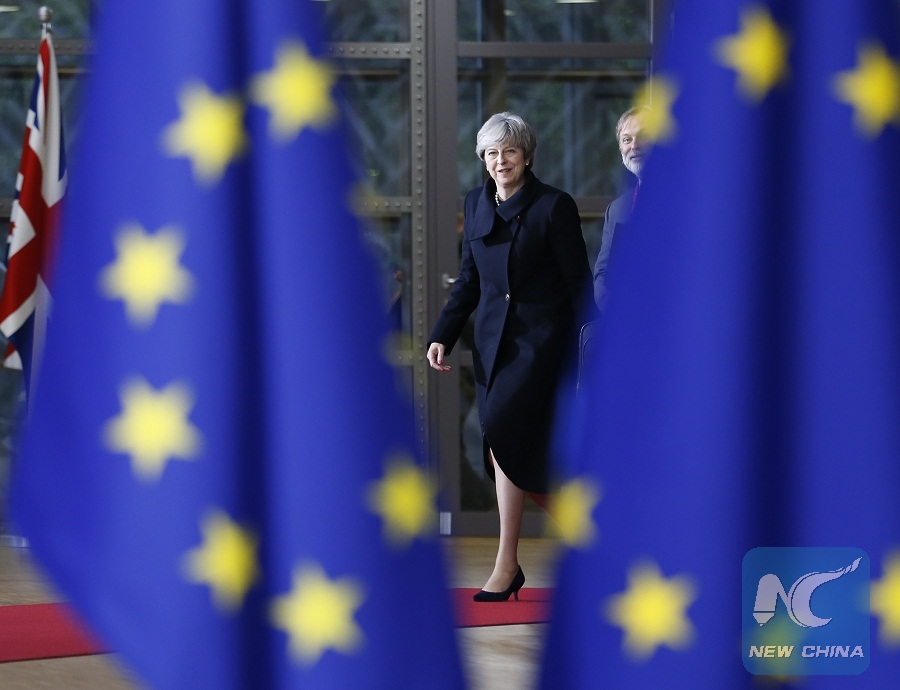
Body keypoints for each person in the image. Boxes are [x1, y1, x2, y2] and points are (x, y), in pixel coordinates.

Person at [426, 112, 591, 602]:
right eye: (492, 153)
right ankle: (587, 542)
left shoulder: (554, 205)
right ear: (483, 159)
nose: (501, 161)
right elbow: (469, 281)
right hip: (492, 345)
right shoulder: (475, 203)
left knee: (501, 434)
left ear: (527, 156)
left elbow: (578, 283)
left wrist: (592, 346)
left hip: (542, 345)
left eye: (510, 151)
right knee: (513, 447)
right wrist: (443, 334)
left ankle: (507, 562)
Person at [593, 105, 652, 311]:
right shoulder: (617, 209)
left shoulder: (691, 200)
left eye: (644, 136)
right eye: (626, 139)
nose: (634, 145)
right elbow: (602, 275)